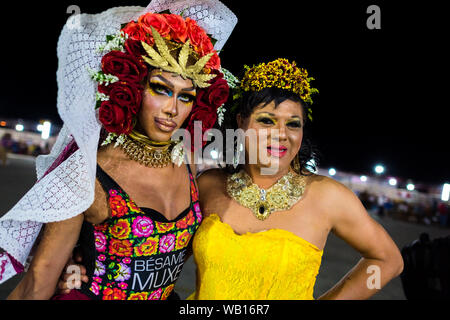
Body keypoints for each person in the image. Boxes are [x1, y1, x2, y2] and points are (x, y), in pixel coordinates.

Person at [59, 58, 404, 300]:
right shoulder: (207, 185)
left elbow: (388, 260)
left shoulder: (328, 197)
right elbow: (154, 246)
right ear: (241, 123)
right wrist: (81, 263)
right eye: (267, 120)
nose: (281, 134)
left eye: (293, 123)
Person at [1, 0, 237, 300]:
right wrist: (70, 268)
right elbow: (37, 284)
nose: (171, 109)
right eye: (160, 88)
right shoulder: (87, 174)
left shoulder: (188, 167)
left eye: (186, 96)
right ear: (133, 85)